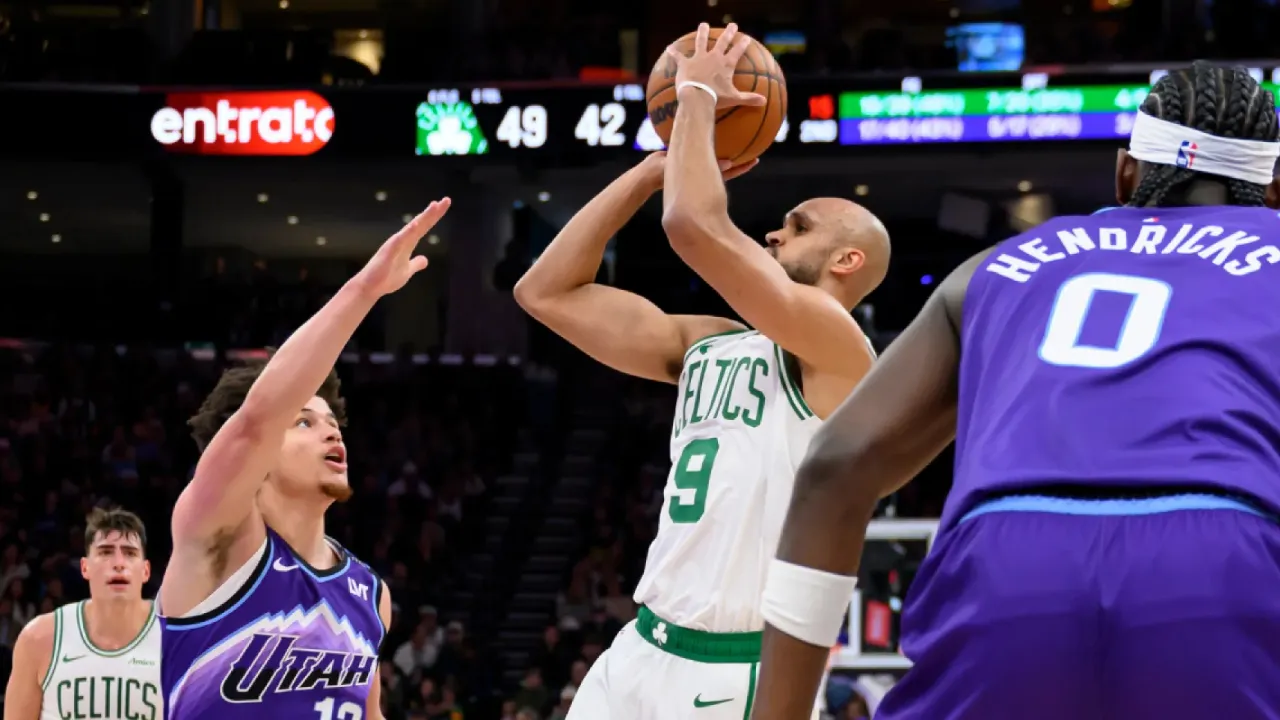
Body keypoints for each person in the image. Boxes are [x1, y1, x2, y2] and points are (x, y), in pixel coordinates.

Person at [750, 62, 1280, 720]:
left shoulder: (993, 267)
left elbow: (834, 467)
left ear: (1124, 174)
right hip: (1222, 555)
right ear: (1274, 192)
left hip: (1007, 559)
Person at [513, 23, 886, 720]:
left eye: (798, 227)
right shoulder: (709, 343)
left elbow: (691, 223)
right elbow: (546, 293)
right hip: (638, 648)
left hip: (737, 670)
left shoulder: (842, 352)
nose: (774, 232)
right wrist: (651, 169)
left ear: (847, 262)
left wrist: (695, 99)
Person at [157, 199, 450, 719]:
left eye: (332, 422)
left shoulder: (369, 592)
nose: (331, 430)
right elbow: (254, 423)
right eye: (304, 421)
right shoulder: (217, 540)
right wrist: (364, 291)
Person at [4, 507, 161, 720]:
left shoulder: (175, 639)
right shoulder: (39, 639)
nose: (118, 563)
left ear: (145, 571)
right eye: (105, 552)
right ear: (84, 568)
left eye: (130, 553)